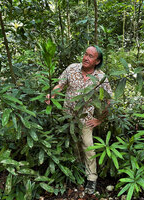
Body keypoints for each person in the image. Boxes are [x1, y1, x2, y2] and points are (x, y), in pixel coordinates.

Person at [46, 46, 112, 194]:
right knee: (73, 144)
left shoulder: (101, 77)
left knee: (88, 146)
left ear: (97, 61)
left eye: (91, 56)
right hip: (68, 117)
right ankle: (77, 170)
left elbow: (109, 100)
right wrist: (53, 95)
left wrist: (99, 120)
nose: (86, 58)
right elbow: (60, 84)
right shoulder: (72, 68)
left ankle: (92, 178)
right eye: (85, 54)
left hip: (86, 118)